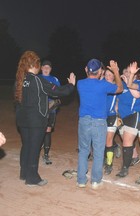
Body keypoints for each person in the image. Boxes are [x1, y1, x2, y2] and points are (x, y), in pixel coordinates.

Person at [15, 50, 76, 186]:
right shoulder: (38, 80)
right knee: (34, 148)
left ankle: (24, 173)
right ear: (36, 65)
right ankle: (32, 178)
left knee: (26, 146)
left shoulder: (20, 80)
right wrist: (71, 85)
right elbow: (58, 91)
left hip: (22, 120)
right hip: (36, 120)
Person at [76, 59, 123, 189]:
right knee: (98, 151)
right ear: (100, 71)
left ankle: (81, 180)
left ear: (86, 69)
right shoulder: (103, 85)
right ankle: (96, 181)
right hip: (99, 122)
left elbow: (92, 81)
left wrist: (99, 75)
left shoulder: (80, 83)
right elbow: (120, 88)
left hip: (84, 121)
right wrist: (116, 71)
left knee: (84, 150)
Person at [114, 67, 140, 177]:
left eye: (129, 72)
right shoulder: (121, 85)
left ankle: (124, 169)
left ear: (134, 75)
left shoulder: (137, 83)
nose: (126, 73)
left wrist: (127, 81)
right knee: (125, 139)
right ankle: (134, 157)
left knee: (126, 142)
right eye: (124, 72)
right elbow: (117, 98)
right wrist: (116, 106)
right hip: (121, 117)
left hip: (133, 115)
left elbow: (137, 95)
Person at [38, 60, 60, 165]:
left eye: (48, 67)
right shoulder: (37, 78)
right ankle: (36, 148)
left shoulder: (54, 79)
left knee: (48, 130)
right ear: (41, 68)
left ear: (51, 69)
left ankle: (46, 155)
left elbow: (58, 93)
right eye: (44, 67)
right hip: (38, 110)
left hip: (51, 110)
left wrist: (52, 103)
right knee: (37, 130)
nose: (46, 69)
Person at [103, 68, 120, 175]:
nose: (108, 76)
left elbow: (121, 98)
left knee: (108, 139)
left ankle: (109, 164)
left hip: (113, 116)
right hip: (102, 116)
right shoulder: (102, 85)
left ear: (114, 76)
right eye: (106, 75)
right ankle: (114, 147)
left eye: (110, 74)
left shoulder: (117, 87)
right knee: (103, 139)